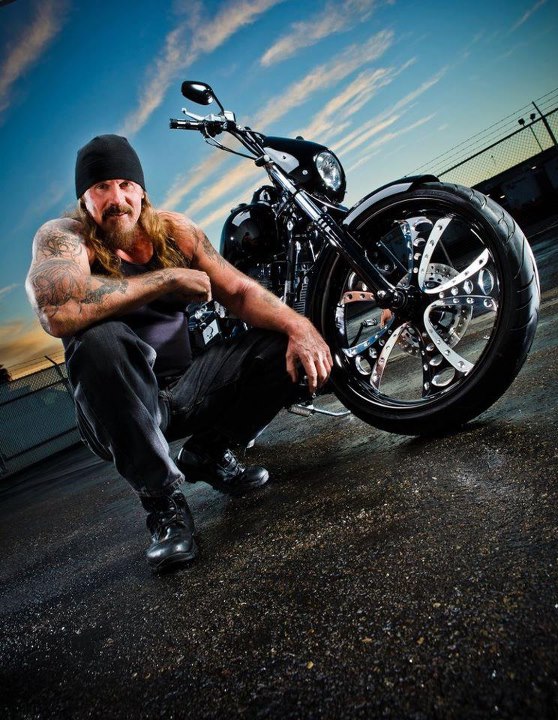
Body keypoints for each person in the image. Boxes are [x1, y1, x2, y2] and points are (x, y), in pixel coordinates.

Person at [26, 134, 332, 572]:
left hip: (187, 390)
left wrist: (300, 326)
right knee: (98, 339)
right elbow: (57, 309)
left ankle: (209, 452)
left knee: (282, 341)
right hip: (118, 409)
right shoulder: (65, 237)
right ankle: (163, 504)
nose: (116, 199)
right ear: (84, 199)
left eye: (125, 185)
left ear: (142, 191)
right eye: (101, 188)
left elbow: (240, 292)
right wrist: (165, 280)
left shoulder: (175, 232)